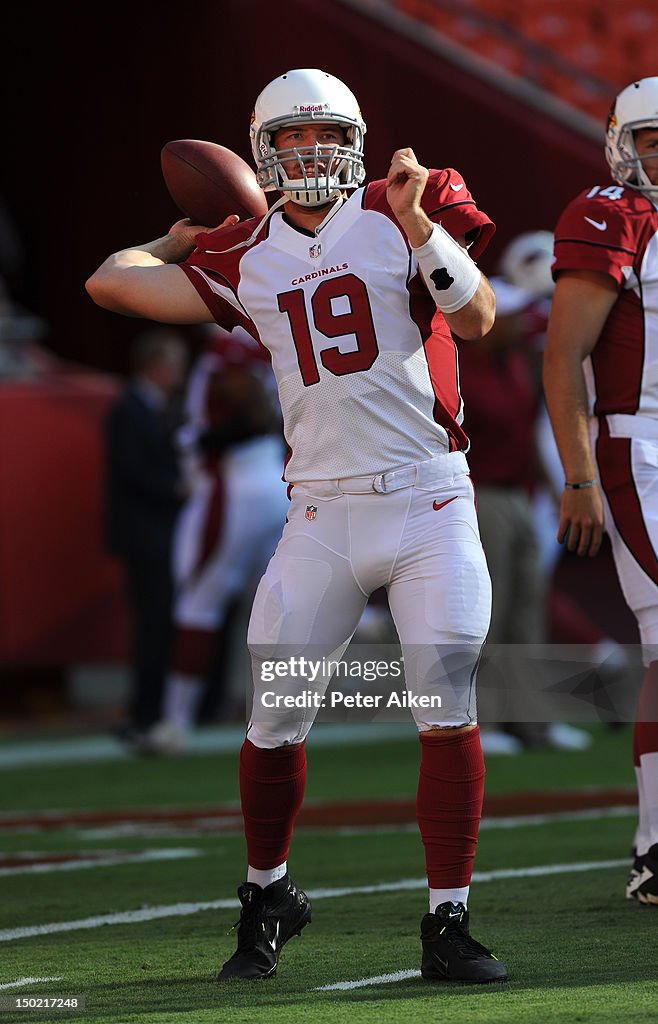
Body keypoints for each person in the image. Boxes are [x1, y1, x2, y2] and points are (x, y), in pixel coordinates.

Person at [86, 68, 508, 983]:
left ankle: (448, 921)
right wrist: (173, 239)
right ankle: (269, 893)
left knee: (447, 705)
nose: (312, 152)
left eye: (326, 135)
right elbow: (110, 285)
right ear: (261, 151)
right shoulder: (247, 252)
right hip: (319, 508)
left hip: (430, 498)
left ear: (356, 138)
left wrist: (420, 222)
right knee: (272, 719)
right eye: (292, 138)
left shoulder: (409, 204)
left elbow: (475, 319)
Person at [543, 76, 658, 905]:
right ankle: (656, 847)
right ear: (623, 145)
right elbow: (562, 361)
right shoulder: (610, 214)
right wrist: (579, 475)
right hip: (639, 448)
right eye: (652, 139)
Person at [145, 324, 290, 755]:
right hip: (272, 478)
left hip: (233, 486)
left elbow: (255, 411)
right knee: (276, 603)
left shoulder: (232, 348)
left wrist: (201, 439)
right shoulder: (271, 338)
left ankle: (175, 722)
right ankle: (277, 717)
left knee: (196, 603)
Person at [104, 328, 188, 750]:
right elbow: (132, 471)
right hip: (144, 535)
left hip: (159, 533)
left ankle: (153, 709)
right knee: (152, 623)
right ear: (155, 365)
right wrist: (178, 488)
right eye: (173, 365)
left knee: (160, 622)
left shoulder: (158, 408)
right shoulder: (129, 408)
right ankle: (144, 713)